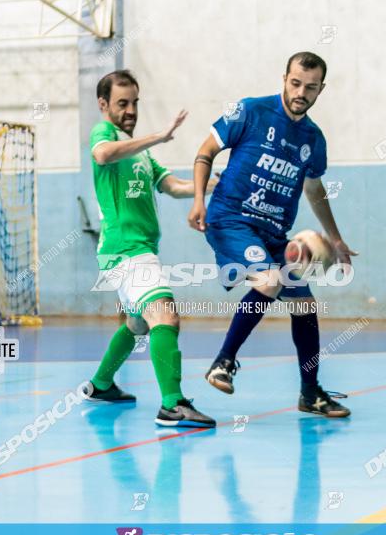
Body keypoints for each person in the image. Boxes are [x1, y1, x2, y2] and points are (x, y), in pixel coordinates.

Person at [188, 52, 357, 418]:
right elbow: (205, 152)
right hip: (231, 219)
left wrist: (336, 238)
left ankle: (310, 394)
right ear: (284, 78)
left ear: (320, 90)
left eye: (310, 87)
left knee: (304, 305)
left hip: (274, 234)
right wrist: (200, 200)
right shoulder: (250, 111)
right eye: (295, 83)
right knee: (268, 280)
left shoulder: (313, 138)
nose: (301, 92)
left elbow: (314, 190)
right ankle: (223, 362)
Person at [80, 69, 217, 428]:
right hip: (125, 249)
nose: (130, 110)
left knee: (138, 323)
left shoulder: (142, 155)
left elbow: (173, 186)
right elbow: (103, 155)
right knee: (165, 313)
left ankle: (100, 385)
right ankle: (172, 404)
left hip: (139, 249)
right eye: (122, 103)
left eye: (134, 103)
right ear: (103, 104)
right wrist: (158, 136)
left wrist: (214, 185)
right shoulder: (105, 133)